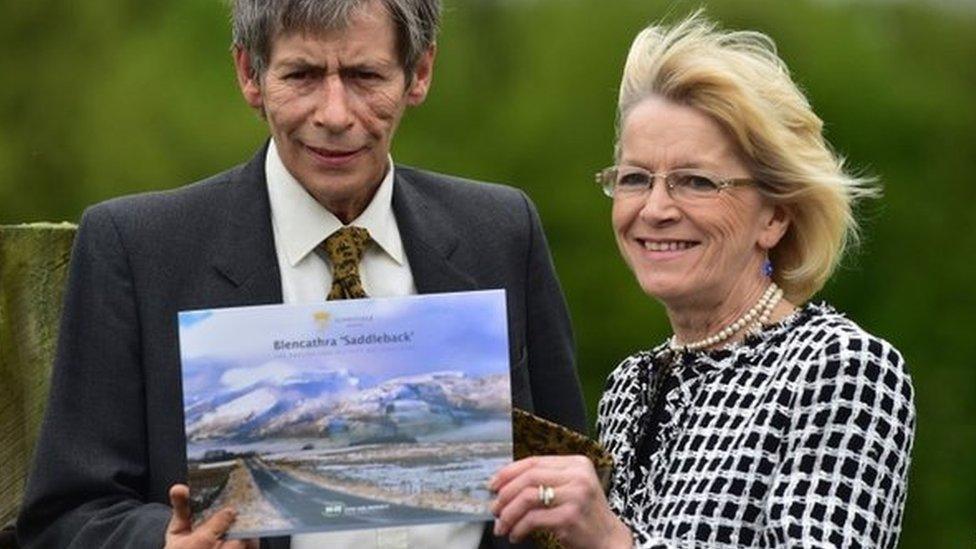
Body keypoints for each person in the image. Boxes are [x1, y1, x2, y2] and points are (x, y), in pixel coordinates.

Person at [16, 0, 587, 548]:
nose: (335, 114)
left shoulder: (503, 232)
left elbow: (569, 484)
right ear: (249, 74)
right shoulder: (139, 250)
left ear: (419, 73)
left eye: (365, 76)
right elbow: (67, 516)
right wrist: (161, 543)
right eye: (303, 75)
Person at [490, 11, 915, 548]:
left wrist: (613, 541)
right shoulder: (630, 385)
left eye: (695, 181)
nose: (656, 208)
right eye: (635, 178)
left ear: (775, 215)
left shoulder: (843, 368)